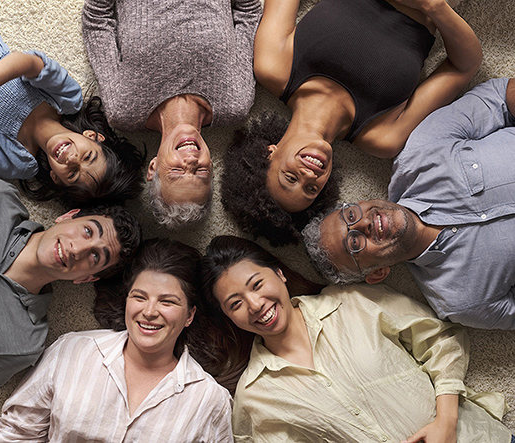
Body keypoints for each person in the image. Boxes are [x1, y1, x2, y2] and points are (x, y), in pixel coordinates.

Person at [199, 235, 513, 442]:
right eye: (235, 304)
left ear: (279, 274)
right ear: (228, 316)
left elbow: (439, 340)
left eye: (256, 284)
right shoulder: (255, 398)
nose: (255, 305)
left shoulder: (353, 302)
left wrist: (446, 421)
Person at [221, 0, 482, 246]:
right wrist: (433, 6)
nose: (310, 176)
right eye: (311, 189)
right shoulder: (381, 136)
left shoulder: (273, 67)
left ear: (269, 153)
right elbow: (463, 66)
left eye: (290, 177)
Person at [303, 77, 515, 330]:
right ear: (377, 273)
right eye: (354, 244)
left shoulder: (420, 151)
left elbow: (500, 96)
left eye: (350, 215)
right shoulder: (463, 303)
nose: (362, 224)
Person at [0, 166, 141, 407]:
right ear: (68, 216)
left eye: (95, 256)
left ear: (86, 278)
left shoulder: (23, 342)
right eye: (87, 231)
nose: (77, 249)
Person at [0, 238, 233, 442]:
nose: (149, 311)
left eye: (167, 302)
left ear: (189, 315)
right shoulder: (73, 350)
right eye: (139, 297)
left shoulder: (209, 400)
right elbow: (17, 433)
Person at [0, 0, 144, 206]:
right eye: (88, 156)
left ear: (56, 178)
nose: (72, 159)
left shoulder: (18, 160)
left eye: (72, 173)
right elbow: (29, 63)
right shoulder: (67, 100)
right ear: (93, 136)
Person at [82, 0, 262, 227]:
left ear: (153, 167)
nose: (191, 160)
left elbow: (97, 21)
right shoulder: (235, 102)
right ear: (212, 169)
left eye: (177, 171)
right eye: (200, 172)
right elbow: (248, 12)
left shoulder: (123, 109)